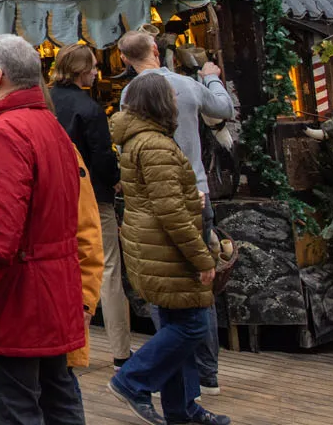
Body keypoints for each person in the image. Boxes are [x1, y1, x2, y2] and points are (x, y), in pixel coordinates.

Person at [0, 35, 88, 425]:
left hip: (14, 303)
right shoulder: (49, 127)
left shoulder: (4, 135)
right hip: (50, 295)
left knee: (17, 411)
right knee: (58, 404)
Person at [109, 73, 228, 425]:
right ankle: (132, 380)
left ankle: (182, 410)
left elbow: (161, 198)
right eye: (173, 97)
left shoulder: (139, 140)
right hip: (166, 248)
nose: (178, 101)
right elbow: (171, 212)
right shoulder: (157, 145)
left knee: (177, 326)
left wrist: (191, 195)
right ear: (161, 103)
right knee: (191, 326)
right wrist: (202, 258)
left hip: (152, 244)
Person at [50, 43, 128, 366]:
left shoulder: (45, 100)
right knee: (107, 267)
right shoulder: (90, 109)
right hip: (92, 197)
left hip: (55, 196)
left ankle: (61, 343)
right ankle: (121, 351)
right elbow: (103, 158)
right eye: (93, 67)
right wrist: (115, 179)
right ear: (81, 70)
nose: (97, 72)